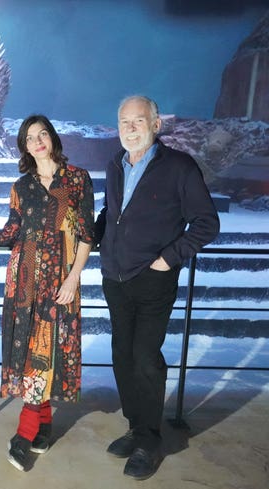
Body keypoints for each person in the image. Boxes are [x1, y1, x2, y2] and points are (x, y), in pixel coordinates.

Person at [0, 115, 94, 472]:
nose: (38, 140)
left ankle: (24, 434)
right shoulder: (21, 186)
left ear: (52, 138)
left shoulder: (75, 179)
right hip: (23, 281)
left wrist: (73, 278)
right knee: (31, 354)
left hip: (60, 281)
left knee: (45, 354)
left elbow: (87, 234)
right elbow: (10, 232)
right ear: (24, 146)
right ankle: (43, 427)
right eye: (30, 137)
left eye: (42, 133)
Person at [95, 95, 219, 480]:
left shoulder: (179, 167)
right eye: (123, 122)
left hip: (153, 279)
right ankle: (136, 426)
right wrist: (89, 239)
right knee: (122, 356)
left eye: (138, 121)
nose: (130, 128)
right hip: (115, 277)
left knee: (145, 359)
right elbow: (114, 213)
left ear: (156, 124)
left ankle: (150, 441)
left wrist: (170, 257)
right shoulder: (115, 164)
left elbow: (206, 223)